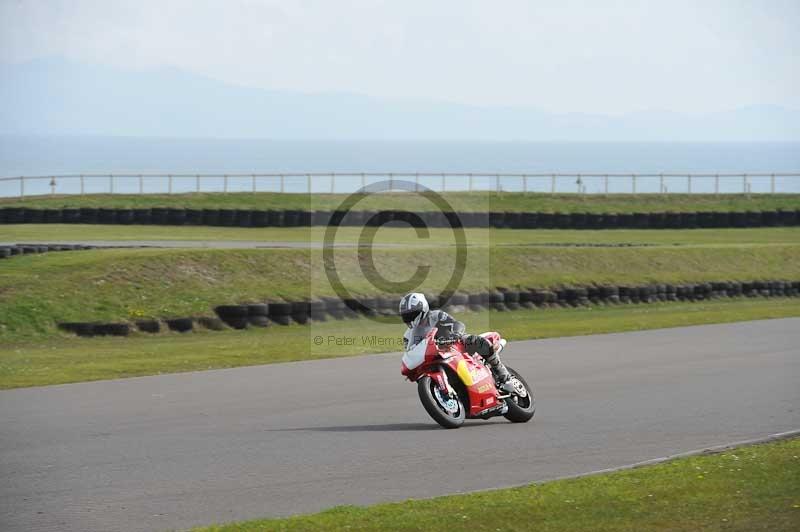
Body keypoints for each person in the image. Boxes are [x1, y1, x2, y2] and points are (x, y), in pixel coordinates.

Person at [399, 292, 514, 391]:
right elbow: (411, 352)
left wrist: (454, 335)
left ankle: (504, 376)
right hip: (433, 356)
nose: (409, 319)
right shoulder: (408, 336)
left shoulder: (437, 315)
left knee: (475, 341)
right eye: (406, 316)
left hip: (454, 344)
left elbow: (457, 324)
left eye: (412, 315)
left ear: (423, 308)